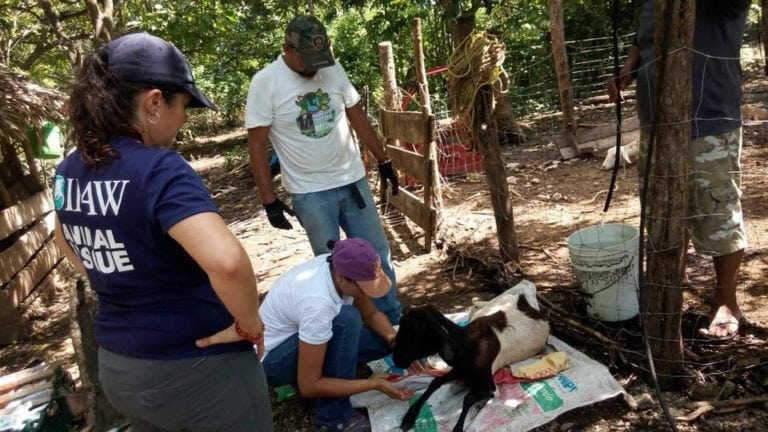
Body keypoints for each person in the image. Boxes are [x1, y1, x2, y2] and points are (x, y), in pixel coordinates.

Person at [53, 32, 273, 431]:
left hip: (122, 368)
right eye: (183, 105)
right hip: (197, 369)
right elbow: (226, 263)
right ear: (154, 102)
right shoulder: (160, 169)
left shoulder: (69, 170)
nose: (185, 118)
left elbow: (64, 240)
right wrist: (248, 323)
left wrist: (118, 275)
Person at [245, 15, 402, 325]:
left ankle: (393, 322)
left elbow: (357, 117)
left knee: (377, 256)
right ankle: (352, 329)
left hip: (352, 181)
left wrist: (383, 160)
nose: (316, 67)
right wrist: (269, 200)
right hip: (310, 193)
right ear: (286, 49)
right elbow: (257, 146)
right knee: (334, 270)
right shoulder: (266, 82)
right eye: (308, 59)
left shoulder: (332, 68)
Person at [609, 1, 749, 339]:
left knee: (717, 209)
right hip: (654, 123)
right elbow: (643, 36)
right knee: (663, 206)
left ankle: (727, 301)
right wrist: (629, 68)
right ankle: (671, 282)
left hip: (709, 119)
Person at [259, 238, 422, 432]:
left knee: (383, 339)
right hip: (273, 361)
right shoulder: (317, 303)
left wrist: (394, 341)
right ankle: (333, 418)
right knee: (347, 319)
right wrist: (375, 385)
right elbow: (309, 386)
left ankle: (332, 375)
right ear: (341, 278)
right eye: (363, 287)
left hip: (305, 338)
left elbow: (371, 314)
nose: (364, 293)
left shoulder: (339, 266)